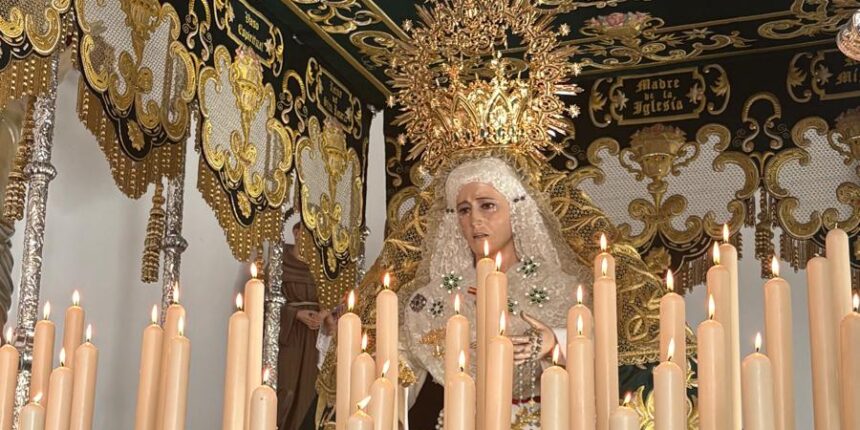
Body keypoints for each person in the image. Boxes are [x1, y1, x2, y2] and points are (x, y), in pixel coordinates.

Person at [277, 221, 335, 430]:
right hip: (290, 335)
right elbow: (266, 302)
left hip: (314, 339)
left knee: (309, 392)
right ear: (296, 231)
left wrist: (324, 314)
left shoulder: (322, 265)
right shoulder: (279, 260)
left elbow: (335, 298)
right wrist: (296, 314)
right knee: (287, 388)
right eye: (306, 232)